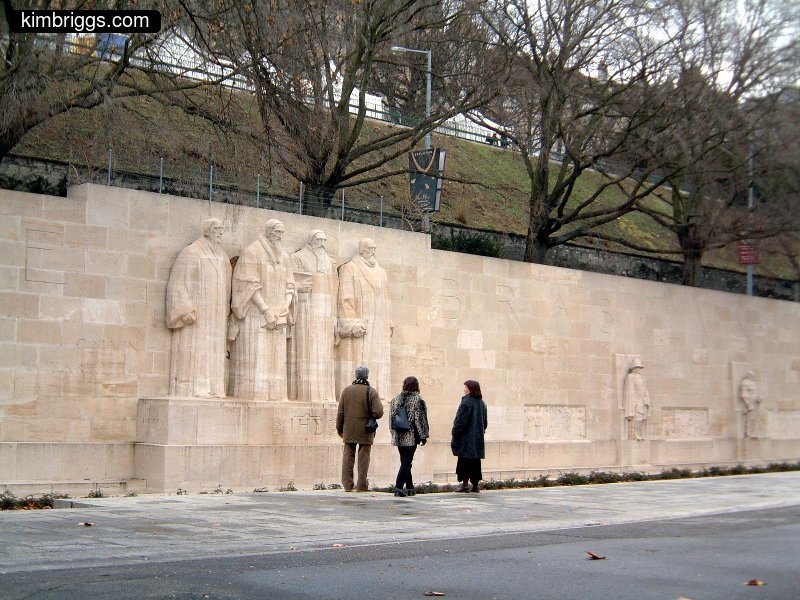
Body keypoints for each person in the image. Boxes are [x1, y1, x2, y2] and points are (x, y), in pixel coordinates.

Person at [229, 219, 296, 400]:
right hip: (256, 313)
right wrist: (265, 310)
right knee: (257, 355)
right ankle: (254, 394)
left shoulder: (285, 256)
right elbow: (248, 284)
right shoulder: (252, 252)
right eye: (276, 232)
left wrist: (286, 304)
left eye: (282, 232)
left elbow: (290, 284)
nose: (279, 236)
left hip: (279, 312)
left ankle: (276, 395)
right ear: (268, 232)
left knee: (276, 358)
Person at [165, 218, 231, 398]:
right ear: (208, 230)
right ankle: (194, 388)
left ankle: (215, 388)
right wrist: (184, 310)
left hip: (216, 315)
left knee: (214, 350)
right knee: (196, 350)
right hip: (197, 315)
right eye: (217, 228)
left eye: (222, 229)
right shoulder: (191, 252)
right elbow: (178, 283)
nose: (220, 232)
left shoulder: (223, 256)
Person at [336, 238, 393, 400]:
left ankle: (378, 394)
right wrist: (352, 323)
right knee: (360, 356)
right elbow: (345, 298)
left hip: (380, 322)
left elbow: (386, 299)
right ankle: (357, 395)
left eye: (374, 248)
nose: (372, 251)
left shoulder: (382, 272)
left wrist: (389, 322)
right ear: (361, 249)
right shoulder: (350, 268)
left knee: (379, 357)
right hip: (362, 322)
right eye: (369, 248)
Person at [290, 230, 338, 402]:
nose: (322, 243)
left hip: (326, 313)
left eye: (324, 239)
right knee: (307, 350)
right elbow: (291, 283)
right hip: (306, 311)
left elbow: (335, 290)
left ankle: (325, 394)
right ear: (311, 240)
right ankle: (306, 394)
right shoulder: (298, 258)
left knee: (325, 353)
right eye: (318, 239)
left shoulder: (331, 262)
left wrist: (335, 318)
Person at [336, 365, 384, 492]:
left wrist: (339, 429)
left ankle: (347, 485)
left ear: (356, 375)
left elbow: (340, 412)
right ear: (367, 376)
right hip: (366, 429)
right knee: (364, 456)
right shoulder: (371, 391)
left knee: (348, 455)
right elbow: (378, 412)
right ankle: (362, 485)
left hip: (349, 428)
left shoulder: (346, 391)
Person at [390, 376, 430, 497]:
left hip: (399, 434)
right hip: (411, 435)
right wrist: (424, 435)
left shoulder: (395, 399)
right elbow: (420, 420)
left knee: (405, 460)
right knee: (407, 461)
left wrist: (393, 433)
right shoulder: (418, 400)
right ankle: (398, 487)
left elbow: (391, 419)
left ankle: (410, 487)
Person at [451, 380, 488, 493]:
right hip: (477, 439)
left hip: (466, 439)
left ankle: (465, 484)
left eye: (466, 387)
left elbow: (460, 421)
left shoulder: (466, 402)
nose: (464, 389)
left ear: (471, 389)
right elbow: (485, 423)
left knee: (464, 461)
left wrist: (455, 432)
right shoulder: (482, 404)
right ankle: (475, 485)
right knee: (476, 462)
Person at [623, 358, 650, 440]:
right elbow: (630, 391)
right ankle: (634, 435)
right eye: (638, 367)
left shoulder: (642, 378)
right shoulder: (630, 377)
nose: (639, 369)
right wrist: (632, 404)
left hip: (642, 401)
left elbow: (645, 390)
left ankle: (639, 434)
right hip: (635, 402)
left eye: (640, 367)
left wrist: (647, 399)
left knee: (641, 419)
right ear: (634, 368)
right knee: (636, 418)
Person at [739, 371, 761, 438]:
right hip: (749, 403)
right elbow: (744, 395)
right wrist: (748, 404)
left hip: (755, 403)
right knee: (749, 419)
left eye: (752, 375)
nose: (752, 376)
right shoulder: (745, 383)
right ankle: (748, 433)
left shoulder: (754, 383)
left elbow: (756, 393)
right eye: (750, 375)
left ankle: (754, 433)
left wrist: (759, 398)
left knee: (754, 419)